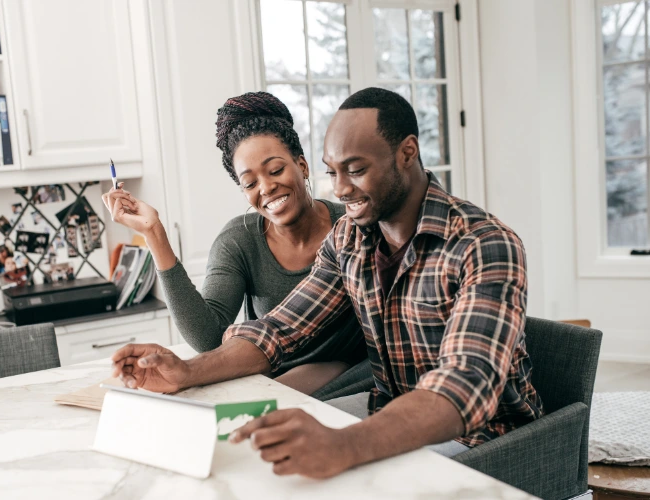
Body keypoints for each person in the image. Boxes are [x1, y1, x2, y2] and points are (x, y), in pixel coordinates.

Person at [110, 87, 544, 478]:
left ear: (407, 153)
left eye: (355, 170)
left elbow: (464, 386)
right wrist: (187, 371)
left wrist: (345, 445)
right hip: (389, 414)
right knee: (255, 466)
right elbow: (279, 330)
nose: (340, 189)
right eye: (332, 172)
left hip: (488, 442)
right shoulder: (351, 237)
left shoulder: (484, 245)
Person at [103, 92, 368, 397]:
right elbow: (209, 338)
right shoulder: (239, 241)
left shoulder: (352, 229)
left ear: (302, 165)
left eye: (276, 170)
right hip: (265, 382)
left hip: (349, 384)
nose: (266, 188)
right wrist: (154, 234)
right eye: (250, 183)